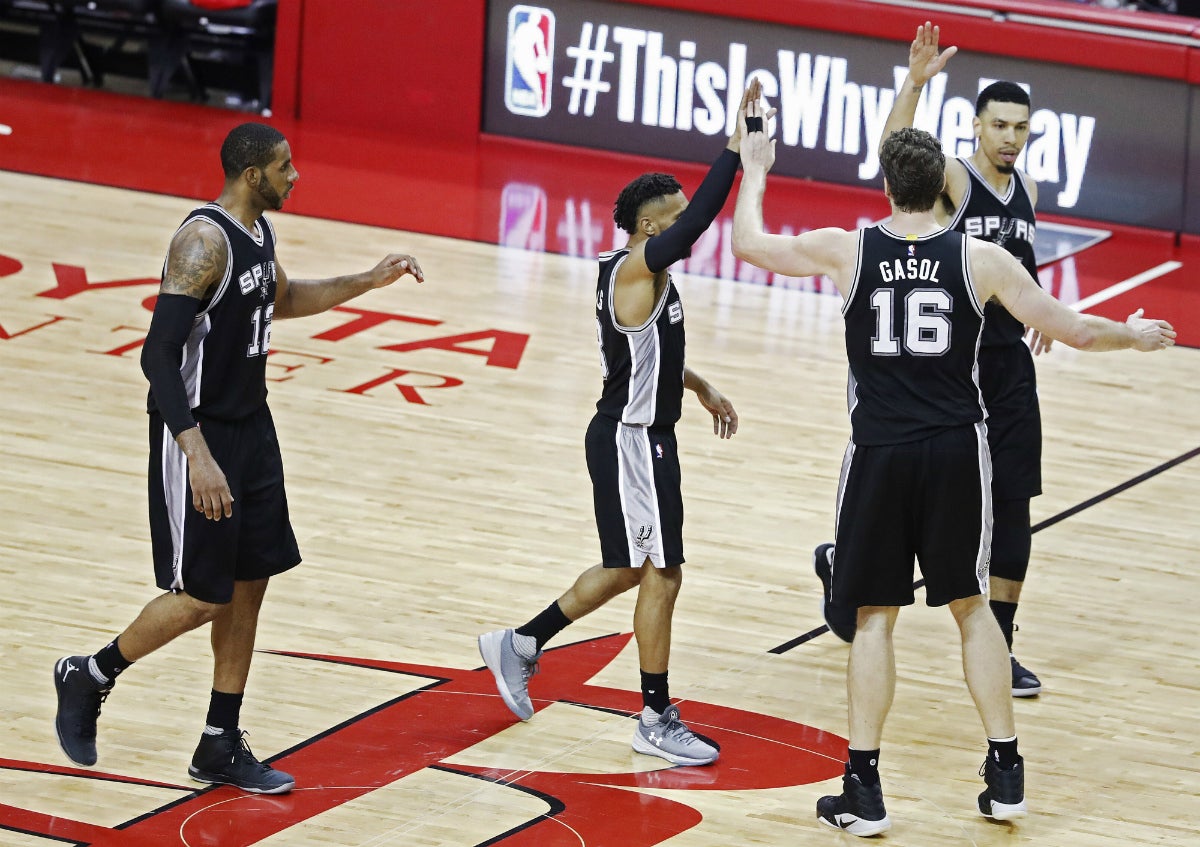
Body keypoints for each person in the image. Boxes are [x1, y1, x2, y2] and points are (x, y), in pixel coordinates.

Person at [732, 109, 1174, 833]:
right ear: (942, 185)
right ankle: (1005, 771)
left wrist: (755, 167)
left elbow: (749, 242)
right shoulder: (980, 259)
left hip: (878, 451)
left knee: (874, 618)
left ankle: (865, 788)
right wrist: (1134, 334)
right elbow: (1071, 329)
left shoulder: (849, 249)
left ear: (885, 183)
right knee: (972, 611)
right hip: (956, 452)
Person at [53, 122, 424, 794]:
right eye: (286, 167)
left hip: (253, 427)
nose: (296, 175)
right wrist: (195, 453)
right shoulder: (202, 241)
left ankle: (220, 740)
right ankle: (90, 672)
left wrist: (368, 281)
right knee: (199, 595)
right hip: (201, 434)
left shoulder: (259, 234)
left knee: (252, 580)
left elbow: (286, 300)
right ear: (253, 174)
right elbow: (156, 357)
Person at [476, 82, 761, 768]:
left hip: (634, 432)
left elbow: (646, 353)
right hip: (633, 439)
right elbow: (698, 227)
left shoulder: (641, 274)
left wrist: (699, 386)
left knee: (627, 568)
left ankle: (521, 642)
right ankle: (655, 716)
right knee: (663, 572)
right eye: (674, 216)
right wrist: (736, 150)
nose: (686, 221)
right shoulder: (637, 268)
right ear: (649, 228)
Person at [815, 23, 1047, 699]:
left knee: (1014, 504)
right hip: (946, 371)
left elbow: (1019, 271)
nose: (1009, 137)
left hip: (1009, 371)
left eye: (1020, 127)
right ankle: (841, 563)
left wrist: (1044, 314)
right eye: (999, 125)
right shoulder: (955, 178)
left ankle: (1001, 642)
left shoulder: (1024, 188)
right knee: (905, 505)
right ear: (975, 127)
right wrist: (915, 83)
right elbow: (895, 152)